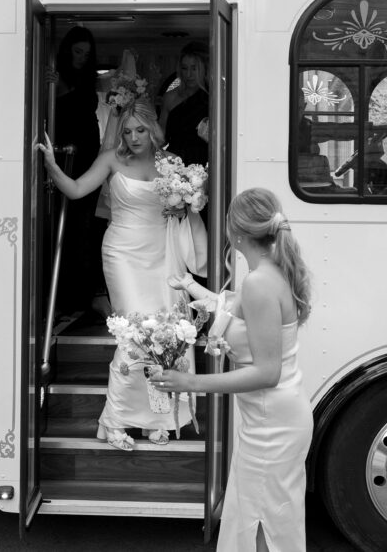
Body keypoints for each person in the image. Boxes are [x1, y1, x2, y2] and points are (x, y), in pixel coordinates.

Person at [152, 188, 312, 552]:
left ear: (234, 231)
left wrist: (188, 381)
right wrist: (188, 284)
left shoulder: (258, 283)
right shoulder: (269, 272)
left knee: (260, 523)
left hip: (273, 424)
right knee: (262, 515)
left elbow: (266, 372)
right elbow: (230, 309)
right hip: (272, 418)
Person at [35, 100, 200, 450]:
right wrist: (51, 164)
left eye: (140, 130)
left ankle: (160, 418)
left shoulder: (170, 163)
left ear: (153, 130)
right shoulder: (111, 157)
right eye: (127, 131)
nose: (134, 137)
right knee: (133, 334)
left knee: (167, 333)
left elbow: (188, 207)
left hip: (162, 253)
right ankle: (116, 419)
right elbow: (77, 190)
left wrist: (185, 202)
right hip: (122, 252)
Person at [48, 26, 104, 314]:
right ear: (68, 50)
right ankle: (63, 296)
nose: (82, 57)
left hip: (88, 150)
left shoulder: (87, 78)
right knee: (64, 223)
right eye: (78, 51)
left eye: (87, 52)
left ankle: (82, 296)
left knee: (84, 224)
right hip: (65, 148)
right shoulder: (55, 78)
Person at [160, 41, 210, 167]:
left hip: (205, 160)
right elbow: (161, 136)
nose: (189, 75)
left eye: (194, 68)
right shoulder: (170, 97)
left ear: (204, 68)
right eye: (184, 68)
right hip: (174, 160)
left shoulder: (214, 98)